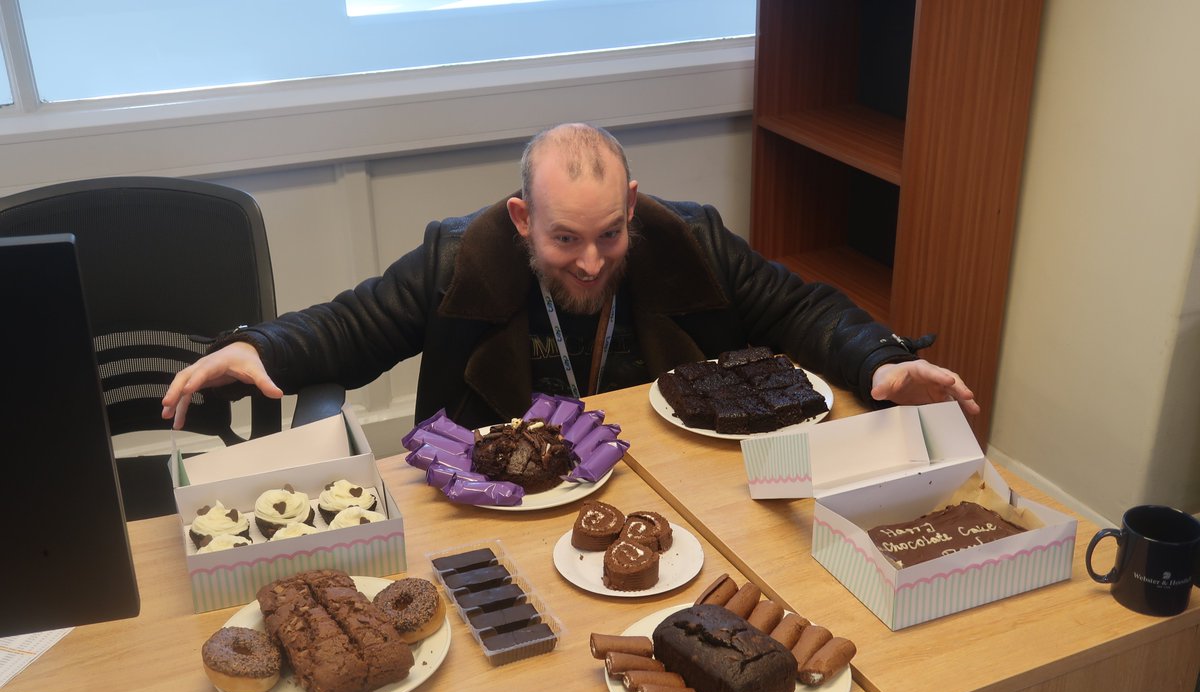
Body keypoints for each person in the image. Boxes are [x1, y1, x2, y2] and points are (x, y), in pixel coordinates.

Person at [162, 122, 977, 431]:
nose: (591, 261)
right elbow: (352, 324)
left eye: (609, 235)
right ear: (523, 219)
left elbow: (800, 309)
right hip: (506, 495)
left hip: (668, 488)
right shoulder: (459, 258)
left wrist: (880, 359)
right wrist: (255, 348)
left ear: (631, 205)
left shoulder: (690, 240)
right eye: (563, 240)